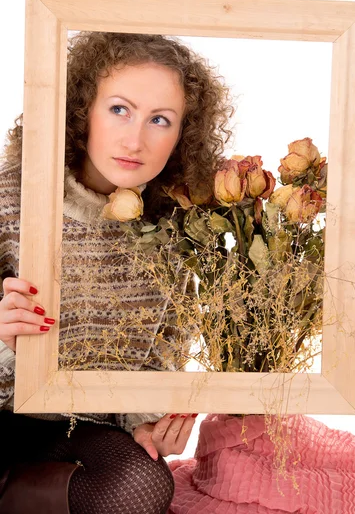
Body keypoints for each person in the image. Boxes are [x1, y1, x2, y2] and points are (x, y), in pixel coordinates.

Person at [0, 31, 234, 514]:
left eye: (160, 120)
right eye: (119, 109)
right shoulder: (9, 198)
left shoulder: (179, 228)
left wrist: (146, 422)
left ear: (182, 135)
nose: (135, 139)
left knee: (142, 484)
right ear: (81, 110)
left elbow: (162, 353)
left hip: (79, 433)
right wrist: (4, 343)